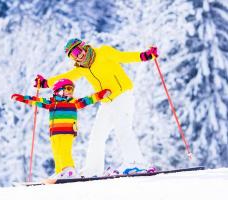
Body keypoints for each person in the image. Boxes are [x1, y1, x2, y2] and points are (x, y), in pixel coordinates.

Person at [34, 38, 158, 176]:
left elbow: (124, 56)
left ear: (84, 47)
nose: (78, 56)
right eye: (73, 55)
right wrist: (45, 83)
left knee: (123, 129)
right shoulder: (82, 68)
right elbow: (66, 76)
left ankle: (136, 163)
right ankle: (92, 170)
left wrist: (145, 55)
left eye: (77, 51)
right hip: (106, 102)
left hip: (122, 96)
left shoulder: (103, 52)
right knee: (97, 136)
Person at [11, 78, 111, 179]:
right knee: (57, 152)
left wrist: (100, 94)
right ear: (58, 91)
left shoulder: (74, 102)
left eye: (72, 89)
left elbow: (88, 99)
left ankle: (69, 170)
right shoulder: (51, 103)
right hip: (54, 132)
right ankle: (60, 171)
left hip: (67, 131)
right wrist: (21, 98)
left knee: (64, 150)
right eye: (68, 89)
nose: (70, 92)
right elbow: (36, 100)